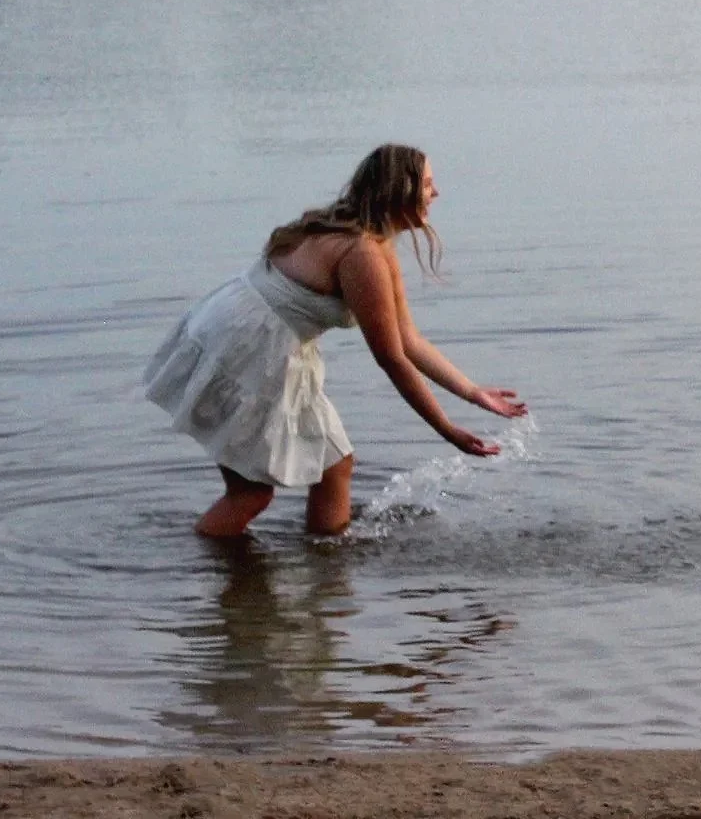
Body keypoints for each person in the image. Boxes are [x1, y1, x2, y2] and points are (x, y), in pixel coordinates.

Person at [143, 145, 526, 539]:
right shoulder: (361, 254)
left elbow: (409, 339)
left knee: (334, 465)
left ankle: (323, 568)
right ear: (399, 189)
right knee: (251, 493)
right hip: (247, 351)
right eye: (427, 184)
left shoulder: (370, 243)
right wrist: (446, 429)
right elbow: (391, 357)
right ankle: (205, 566)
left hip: (240, 334)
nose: (436, 193)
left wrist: (472, 392)